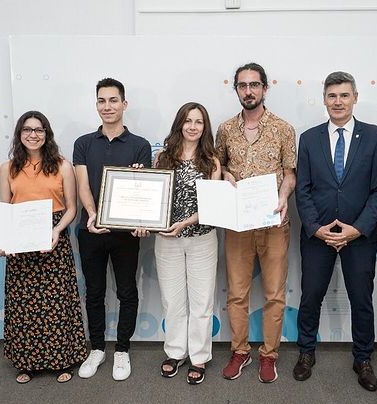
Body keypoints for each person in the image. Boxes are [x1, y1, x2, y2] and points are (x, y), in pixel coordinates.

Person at [294, 71, 377, 391]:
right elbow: (302, 189)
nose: (338, 102)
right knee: (310, 298)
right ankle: (306, 352)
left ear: (355, 98)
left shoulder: (375, 136)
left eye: (344, 95)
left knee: (362, 300)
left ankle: (363, 358)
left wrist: (358, 228)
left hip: (359, 237)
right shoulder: (308, 138)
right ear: (324, 99)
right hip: (318, 236)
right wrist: (316, 228)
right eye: (332, 96)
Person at [216, 62, 296, 383]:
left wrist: (284, 197)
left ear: (265, 88)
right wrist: (224, 175)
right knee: (237, 292)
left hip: (273, 220)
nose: (248, 91)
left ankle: (269, 354)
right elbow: (217, 167)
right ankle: (240, 351)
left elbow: (290, 174)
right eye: (242, 85)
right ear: (236, 89)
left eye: (254, 85)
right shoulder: (224, 129)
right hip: (237, 224)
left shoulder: (283, 128)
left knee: (274, 293)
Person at [0, 110, 87, 384]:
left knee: (58, 303)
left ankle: (63, 361)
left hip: (53, 237)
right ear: (19, 134)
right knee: (23, 305)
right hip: (20, 243)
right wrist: (3, 241)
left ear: (46, 134)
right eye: (27, 130)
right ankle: (27, 363)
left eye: (38, 130)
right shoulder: (7, 168)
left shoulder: (63, 166)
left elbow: (72, 208)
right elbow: (5, 210)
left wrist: (57, 230)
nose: (33, 135)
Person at [73, 78, 152, 381]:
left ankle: (121, 350)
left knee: (126, 291)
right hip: (90, 230)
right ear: (97, 105)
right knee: (94, 292)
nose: (108, 106)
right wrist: (93, 215)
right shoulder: (83, 143)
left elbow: (142, 192)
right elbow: (82, 185)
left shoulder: (140, 145)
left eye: (113, 100)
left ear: (124, 104)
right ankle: (96, 348)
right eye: (102, 101)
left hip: (125, 235)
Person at [150, 102, 221, 385]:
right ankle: (175, 352)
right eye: (188, 120)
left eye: (199, 121)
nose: (193, 126)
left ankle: (199, 356)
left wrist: (185, 223)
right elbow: (152, 199)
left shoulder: (212, 161)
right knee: (173, 301)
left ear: (205, 127)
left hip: (202, 239)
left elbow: (212, 206)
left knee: (201, 302)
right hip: (167, 241)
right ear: (179, 123)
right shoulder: (162, 158)